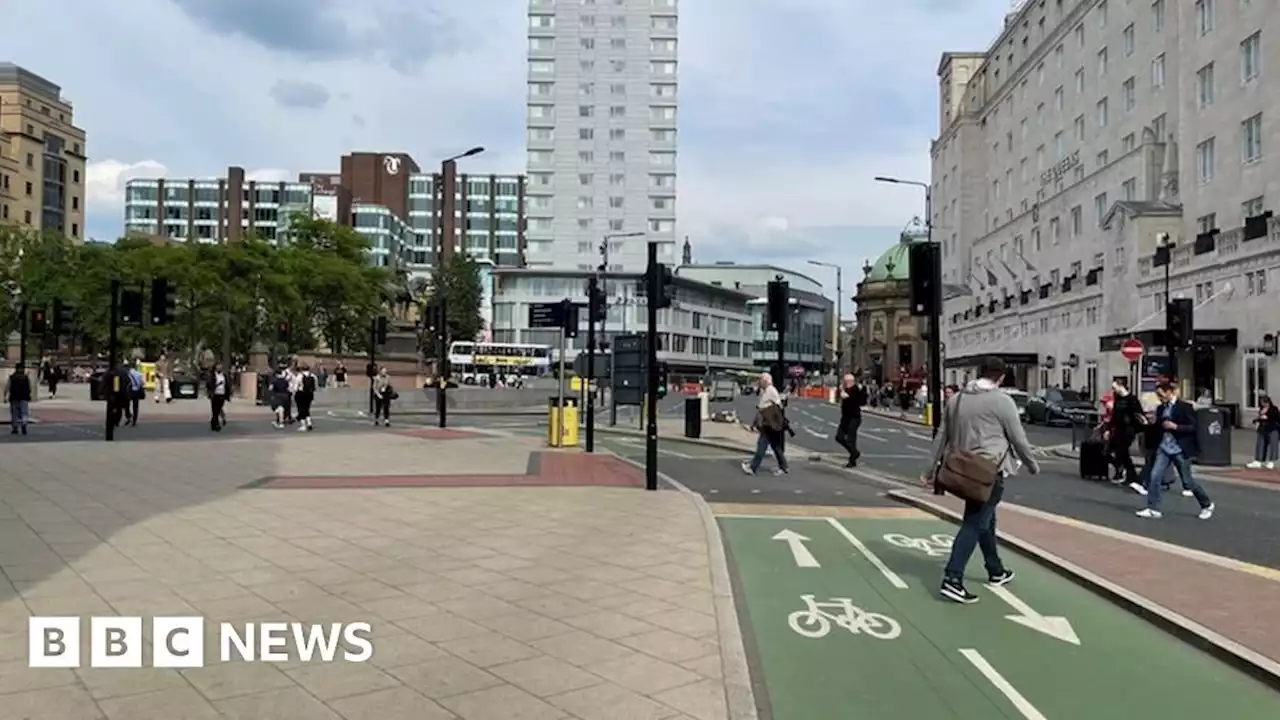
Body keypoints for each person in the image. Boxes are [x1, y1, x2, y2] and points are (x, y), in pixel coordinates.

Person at [925, 356, 1040, 605]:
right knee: (975, 522)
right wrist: (1031, 464)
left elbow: (941, 436)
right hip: (988, 471)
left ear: (979, 373)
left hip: (961, 470)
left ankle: (995, 570)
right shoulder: (1002, 401)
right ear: (1000, 377)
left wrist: (928, 469)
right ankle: (952, 579)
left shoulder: (957, 399)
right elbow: (1018, 438)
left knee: (985, 519)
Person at [1137, 382, 1214, 519]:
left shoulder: (1185, 407)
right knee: (1155, 476)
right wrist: (1148, 424)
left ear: (1169, 392)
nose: (1160, 398)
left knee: (1187, 482)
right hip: (1164, 447)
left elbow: (1193, 427)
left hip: (1180, 448)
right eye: (1158, 396)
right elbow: (1158, 427)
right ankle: (1152, 507)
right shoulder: (1161, 408)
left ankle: (1206, 504)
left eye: (1161, 395)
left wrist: (1176, 427)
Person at [742, 372, 789, 476]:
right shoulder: (769, 390)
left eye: (760, 380)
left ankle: (753, 468)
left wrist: (753, 425)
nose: (759, 382)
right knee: (775, 446)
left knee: (762, 446)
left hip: (768, 424)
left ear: (765, 381)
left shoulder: (769, 391)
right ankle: (784, 466)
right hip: (772, 424)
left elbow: (761, 408)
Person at [1104, 379, 1144, 486]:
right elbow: (1114, 416)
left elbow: (1138, 414)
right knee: (1109, 452)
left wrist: (1138, 429)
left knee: (1121, 452)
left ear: (1121, 386)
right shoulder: (1117, 399)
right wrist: (1108, 429)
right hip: (1118, 429)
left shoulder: (1132, 399)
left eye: (1114, 387)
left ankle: (1124, 474)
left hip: (1128, 430)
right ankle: (1131, 475)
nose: (1113, 390)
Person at [835, 372, 867, 468]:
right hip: (845, 417)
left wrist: (848, 397)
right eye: (845, 381)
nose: (846, 383)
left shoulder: (856, 390)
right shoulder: (844, 390)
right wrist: (841, 393)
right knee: (839, 437)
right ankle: (854, 452)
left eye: (847, 381)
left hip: (854, 417)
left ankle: (852, 460)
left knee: (851, 439)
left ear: (851, 381)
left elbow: (861, 402)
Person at [1247, 394, 1280, 469]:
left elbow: (1276, 418)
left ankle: (1271, 461)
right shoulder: (1261, 409)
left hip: (1272, 429)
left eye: (1263, 402)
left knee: (1273, 445)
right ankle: (1258, 460)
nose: (1262, 404)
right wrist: (1256, 420)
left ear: (1267, 402)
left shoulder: (1274, 409)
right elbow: (1260, 418)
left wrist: (1267, 418)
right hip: (1262, 429)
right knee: (1260, 444)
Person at [5, 363, 32, 435]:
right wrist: (29, 395)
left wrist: (5, 396)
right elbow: (29, 388)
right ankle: (24, 423)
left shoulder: (12, 377)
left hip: (14, 397)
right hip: (24, 397)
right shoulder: (26, 377)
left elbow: (7, 387)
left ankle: (15, 427)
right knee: (24, 412)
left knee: (14, 413)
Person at [206, 363, 230, 431]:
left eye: (221, 366)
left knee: (218, 409)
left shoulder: (224, 375)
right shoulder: (212, 375)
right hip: (215, 394)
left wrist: (228, 394)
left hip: (222, 394)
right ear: (215, 367)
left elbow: (227, 385)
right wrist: (217, 385)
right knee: (215, 410)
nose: (220, 368)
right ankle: (216, 424)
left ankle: (213, 422)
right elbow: (209, 384)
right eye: (218, 366)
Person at [294, 364, 317, 432]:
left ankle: (303, 425)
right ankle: (309, 423)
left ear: (302, 369)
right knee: (307, 408)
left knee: (301, 409)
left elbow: (296, 386)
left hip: (301, 393)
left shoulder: (300, 376)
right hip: (310, 394)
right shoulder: (313, 376)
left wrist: (294, 393)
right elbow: (315, 385)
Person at [126, 361, 144, 426]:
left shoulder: (127, 374)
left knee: (127, 404)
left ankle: (128, 416)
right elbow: (142, 383)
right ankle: (134, 420)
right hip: (137, 391)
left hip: (129, 391)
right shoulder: (139, 374)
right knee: (135, 406)